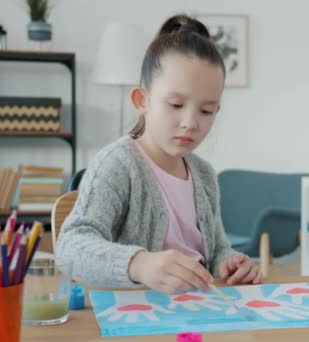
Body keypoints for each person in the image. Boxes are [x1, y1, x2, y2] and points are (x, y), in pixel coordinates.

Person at [56, 14, 262, 293]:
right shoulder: (117, 164)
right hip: (138, 317)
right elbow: (70, 247)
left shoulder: (204, 174)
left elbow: (216, 251)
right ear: (142, 100)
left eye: (206, 110)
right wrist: (139, 264)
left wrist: (231, 262)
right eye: (176, 104)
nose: (190, 122)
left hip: (199, 311)